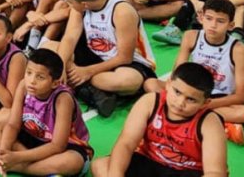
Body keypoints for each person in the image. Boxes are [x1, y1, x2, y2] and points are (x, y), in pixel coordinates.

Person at [90, 63, 228, 177]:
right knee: (101, 165)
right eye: (177, 92)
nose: (180, 103)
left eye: (191, 99)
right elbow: (126, 143)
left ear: (205, 103)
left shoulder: (209, 122)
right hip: (150, 162)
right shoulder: (150, 102)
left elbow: (215, 172)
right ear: (167, 84)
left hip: (187, 172)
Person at [147, 0, 244, 145]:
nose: (213, 25)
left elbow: (242, 97)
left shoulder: (239, 49)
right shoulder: (191, 36)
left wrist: (205, 105)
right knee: (151, 84)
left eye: (220, 21)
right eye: (209, 19)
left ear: (231, 25)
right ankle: (218, 123)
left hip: (219, 99)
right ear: (201, 18)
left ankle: (178, 113)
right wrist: (178, 94)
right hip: (190, 93)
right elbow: (178, 73)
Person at [0, 48, 92, 176]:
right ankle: (39, 169)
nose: (32, 81)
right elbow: (13, 125)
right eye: (29, 73)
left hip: (63, 146)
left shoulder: (63, 99)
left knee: (73, 162)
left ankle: (17, 167)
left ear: (55, 83)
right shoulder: (23, 86)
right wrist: (3, 152)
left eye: (40, 77)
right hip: (33, 137)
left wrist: (16, 157)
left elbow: (57, 145)